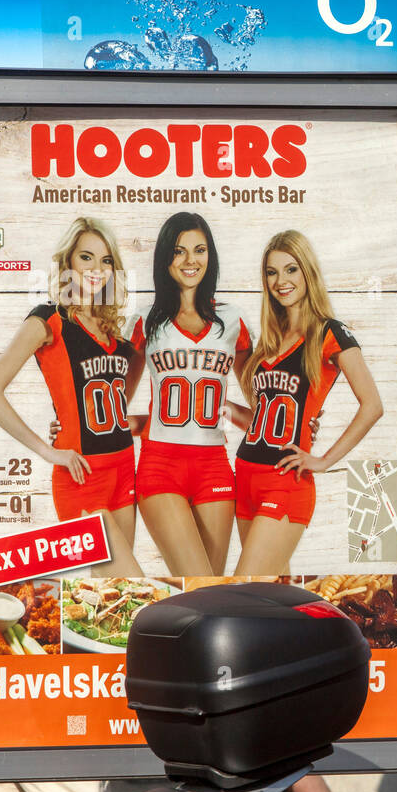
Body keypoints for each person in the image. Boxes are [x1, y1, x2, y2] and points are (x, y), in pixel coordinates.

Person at [0, 216, 143, 575]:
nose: (97, 268)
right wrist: (48, 450)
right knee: (132, 581)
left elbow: (113, 401)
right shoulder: (48, 320)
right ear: (67, 262)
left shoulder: (112, 328)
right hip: (81, 474)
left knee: (117, 589)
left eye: (106, 260)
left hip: (124, 469)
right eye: (86, 257)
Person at [231, 230, 383, 574]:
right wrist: (226, 410)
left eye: (291, 269)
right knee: (274, 596)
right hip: (245, 475)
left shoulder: (330, 332)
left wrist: (325, 460)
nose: (281, 281)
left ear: (307, 273)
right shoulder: (269, 340)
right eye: (272, 272)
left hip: (285, 481)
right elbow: (262, 419)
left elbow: (373, 404)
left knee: (244, 589)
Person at [130, 212, 251, 576]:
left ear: (210, 256)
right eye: (179, 251)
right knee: (201, 584)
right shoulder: (145, 319)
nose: (190, 260)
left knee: (207, 597)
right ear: (165, 258)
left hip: (214, 464)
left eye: (199, 250)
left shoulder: (233, 319)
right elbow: (114, 398)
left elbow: (263, 400)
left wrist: (302, 418)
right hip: (160, 465)